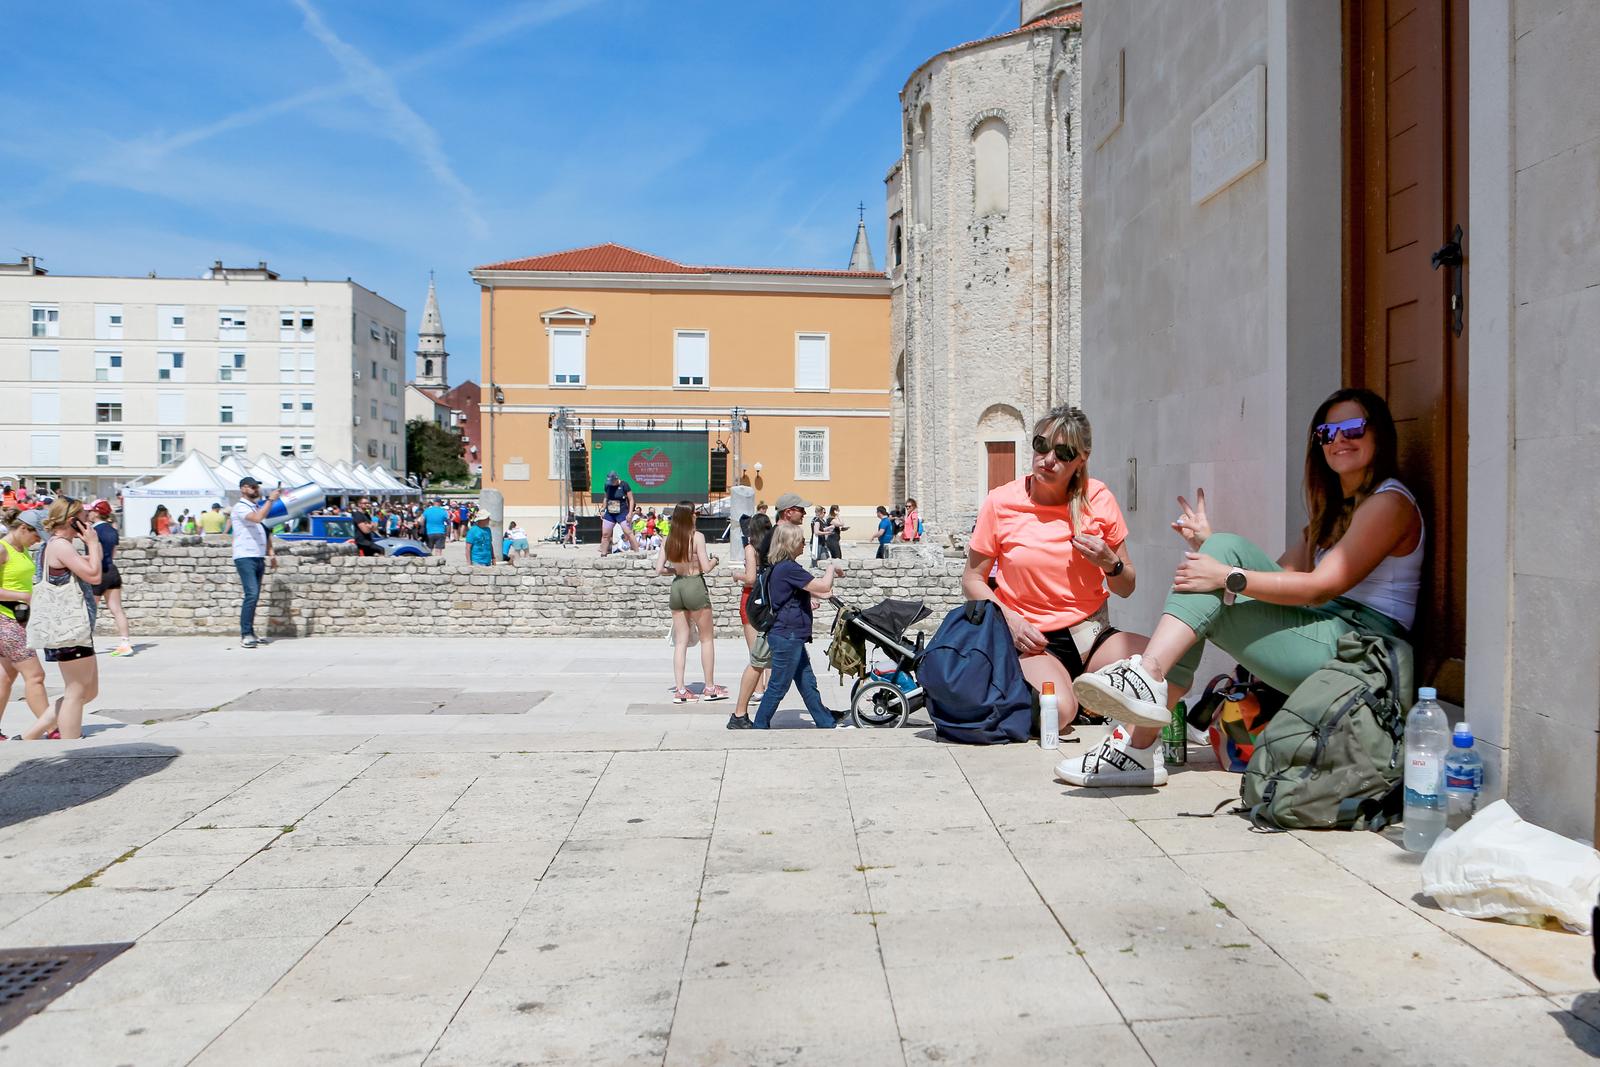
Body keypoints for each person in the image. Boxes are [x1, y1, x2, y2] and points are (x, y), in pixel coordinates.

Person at [1064, 388, 1424, 787]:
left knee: (1219, 568)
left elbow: (1321, 587)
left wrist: (1225, 574)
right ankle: (1139, 725)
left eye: (1353, 428)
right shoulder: (1332, 514)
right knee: (1217, 563)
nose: (1339, 439)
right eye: (1327, 432)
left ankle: (1141, 718)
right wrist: (1212, 550)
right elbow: (1278, 579)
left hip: (1364, 654)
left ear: (1379, 435)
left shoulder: (1390, 503)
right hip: (1328, 636)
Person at [961, 406, 1145, 741]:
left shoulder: (1098, 498)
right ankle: (1069, 697)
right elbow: (972, 580)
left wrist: (1109, 562)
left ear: (1081, 460)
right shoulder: (1001, 503)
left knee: (1168, 666)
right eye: (1041, 445)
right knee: (1058, 712)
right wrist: (1011, 621)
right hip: (1033, 640)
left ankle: (1098, 709)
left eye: (1063, 453)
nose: (1048, 459)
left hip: (1091, 634)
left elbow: (1126, 586)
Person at [752, 523, 848, 729]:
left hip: (791, 635)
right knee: (778, 685)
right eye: (802, 540)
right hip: (788, 635)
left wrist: (820, 594)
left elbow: (814, 591)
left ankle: (825, 721)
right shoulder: (788, 568)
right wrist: (831, 567)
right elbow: (823, 585)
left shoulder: (784, 568)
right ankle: (759, 724)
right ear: (791, 543)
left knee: (807, 683)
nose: (804, 543)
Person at [31, 498, 104, 740]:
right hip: (68, 628)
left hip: (76, 629)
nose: (88, 520)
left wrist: (92, 545)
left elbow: (95, 566)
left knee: (89, 691)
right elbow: (94, 576)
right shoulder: (60, 545)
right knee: (76, 691)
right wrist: (92, 543)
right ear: (71, 520)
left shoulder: (57, 545)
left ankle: (30, 735)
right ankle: (71, 746)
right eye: (83, 516)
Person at [656, 503, 725, 703]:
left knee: (680, 642)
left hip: (677, 586)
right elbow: (705, 567)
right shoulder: (697, 537)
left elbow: (659, 568)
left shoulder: (668, 539)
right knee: (706, 639)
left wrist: (675, 571)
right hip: (694, 584)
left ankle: (680, 689)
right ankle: (710, 688)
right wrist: (715, 560)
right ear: (690, 516)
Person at [0, 509, 49, 739]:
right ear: (22, 529)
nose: (37, 541)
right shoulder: (2, 549)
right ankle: (52, 728)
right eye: (36, 535)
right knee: (35, 676)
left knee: (7, 676)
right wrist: (25, 597)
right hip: (6, 620)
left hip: (16, 619)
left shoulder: (22, 549)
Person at [726, 511, 776, 729]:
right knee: (767, 647)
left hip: (751, 599)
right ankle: (765, 687)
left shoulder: (750, 549)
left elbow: (750, 578)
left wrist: (737, 575)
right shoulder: (771, 548)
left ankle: (758, 690)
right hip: (769, 600)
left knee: (755, 649)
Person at [232, 476, 280, 649]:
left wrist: (271, 553)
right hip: (245, 556)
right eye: (252, 487)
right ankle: (245, 634)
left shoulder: (256, 506)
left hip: (258, 556)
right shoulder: (240, 507)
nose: (255, 490)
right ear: (243, 489)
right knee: (251, 594)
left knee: (255, 595)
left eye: (256, 487)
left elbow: (264, 530)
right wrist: (271, 500)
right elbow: (257, 519)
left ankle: (251, 631)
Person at [86, 500, 133, 657]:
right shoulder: (113, 530)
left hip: (98, 572)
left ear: (97, 513)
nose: (89, 513)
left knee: (90, 609)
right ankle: (125, 643)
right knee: (117, 609)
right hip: (112, 570)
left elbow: (95, 556)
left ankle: (86, 643)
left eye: (91, 511)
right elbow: (112, 554)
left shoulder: (92, 531)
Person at [599, 472, 638, 555]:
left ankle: (637, 552)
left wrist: (630, 513)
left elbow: (631, 500)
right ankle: (603, 554)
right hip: (610, 513)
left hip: (622, 513)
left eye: (613, 481)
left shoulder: (624, 485)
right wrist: (603, 509)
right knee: (605, 534)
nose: (611, 483)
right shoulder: (607, 486)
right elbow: (606, 498)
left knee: (628, 532)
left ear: (616, 479)